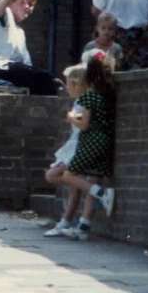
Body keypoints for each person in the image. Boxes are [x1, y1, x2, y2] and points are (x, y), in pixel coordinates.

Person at [48, 52, 119, 240]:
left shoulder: (89, 97)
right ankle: (83, 228)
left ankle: (103, 193)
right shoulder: (105, 95)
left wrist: (71, 117)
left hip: (90, 141)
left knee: (69, 175)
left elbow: (84, 123)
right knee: (91, 180)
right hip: (104, 141)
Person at [43, 63, 89, 237]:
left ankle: (92, 190)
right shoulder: (79, 100)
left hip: (78, 147)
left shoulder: (85, 100)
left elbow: (83, 120)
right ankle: (65, 221)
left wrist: (71, 116)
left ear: (78, 84)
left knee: (52, 175)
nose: (66, 87)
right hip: (73, 145)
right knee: (73, 188)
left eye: (69, 83)